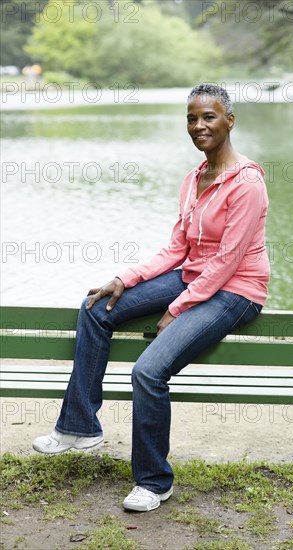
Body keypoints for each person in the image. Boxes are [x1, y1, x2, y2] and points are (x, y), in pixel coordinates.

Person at [33, 83, 270, 512]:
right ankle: (80, 424)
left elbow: (229, 260)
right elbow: (176, 250)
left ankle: (154, 481)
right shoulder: (194, 178)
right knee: (95, 308)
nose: (199, 126)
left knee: (148, 371)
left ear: (229, 121)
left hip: (236, 290)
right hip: (193, 276)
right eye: (191, 118)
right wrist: (124, 278)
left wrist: (180, 308)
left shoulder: (247, 182)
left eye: (209, 117)